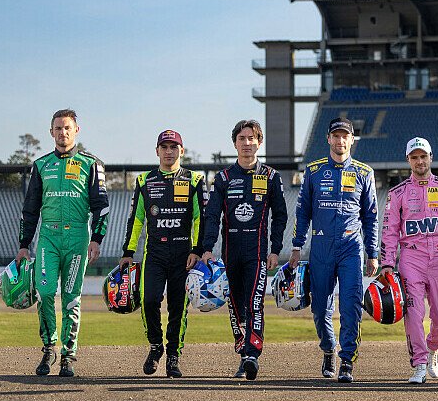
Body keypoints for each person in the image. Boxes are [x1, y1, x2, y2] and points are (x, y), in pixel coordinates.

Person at [17, 109, 109, 377]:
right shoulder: (41, 165)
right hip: (48, 237)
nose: (63, 132)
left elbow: (101, 206)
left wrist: (96, 239)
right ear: (51, 132)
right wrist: (24, 244)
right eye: (58, 128)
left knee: (71, 298)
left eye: (67, 128)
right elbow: (30, 209)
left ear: (76, 130)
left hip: (78, 238)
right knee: (45, 292)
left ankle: (68, 355)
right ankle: (49, 348)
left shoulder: (91, 164)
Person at [289, 117, 379, 383]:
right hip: (321, 248)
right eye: (335, 136)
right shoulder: (314, 171)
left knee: (351, 306)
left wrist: (372, 253)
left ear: (352, 140)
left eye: (345, 136)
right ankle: (328, 348)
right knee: (319, 308)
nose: (340, 141)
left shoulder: (364, 173)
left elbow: (371, 217)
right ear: (328, 139)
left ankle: (347, 360)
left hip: (352, 248)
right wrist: (296, 246)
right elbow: (302, 211)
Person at [200, 120, 287, 381]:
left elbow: (280, 217)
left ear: (259, 143)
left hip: (257, 253)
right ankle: (243, 353)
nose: (247, 143)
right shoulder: (224, 178)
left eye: (252, 138)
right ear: (235, 143)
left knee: (254, 303)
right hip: (230, 253)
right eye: (242, 139)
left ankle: (252, 354)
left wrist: (275, 250)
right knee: (236, 305)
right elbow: (212, 215)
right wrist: (207, 249)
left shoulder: (271, 177)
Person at [380, 137, 438, 384]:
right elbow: (389, 231)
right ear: (408, 160)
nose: (420, 161)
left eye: (423, 156)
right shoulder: (397, 194)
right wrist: (387, 262)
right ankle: (419, 364)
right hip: (411, 257)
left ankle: (433, 348)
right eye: (414, 157)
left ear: (431, 157)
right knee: (414, 312)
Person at [120, 129, 207, 378]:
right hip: (155, 253)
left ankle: (173, 355)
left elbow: (201, 218)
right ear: (157, 151)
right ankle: (155, 346)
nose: (169, 151)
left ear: (182, 150)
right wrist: (128, 251)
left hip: (183, 255)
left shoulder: (195, 179)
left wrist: (197, 250)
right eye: (164, 147)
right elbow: (136, 219)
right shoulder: (144, 180)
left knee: (178, 308)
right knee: (149, 301)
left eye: (174, 147)